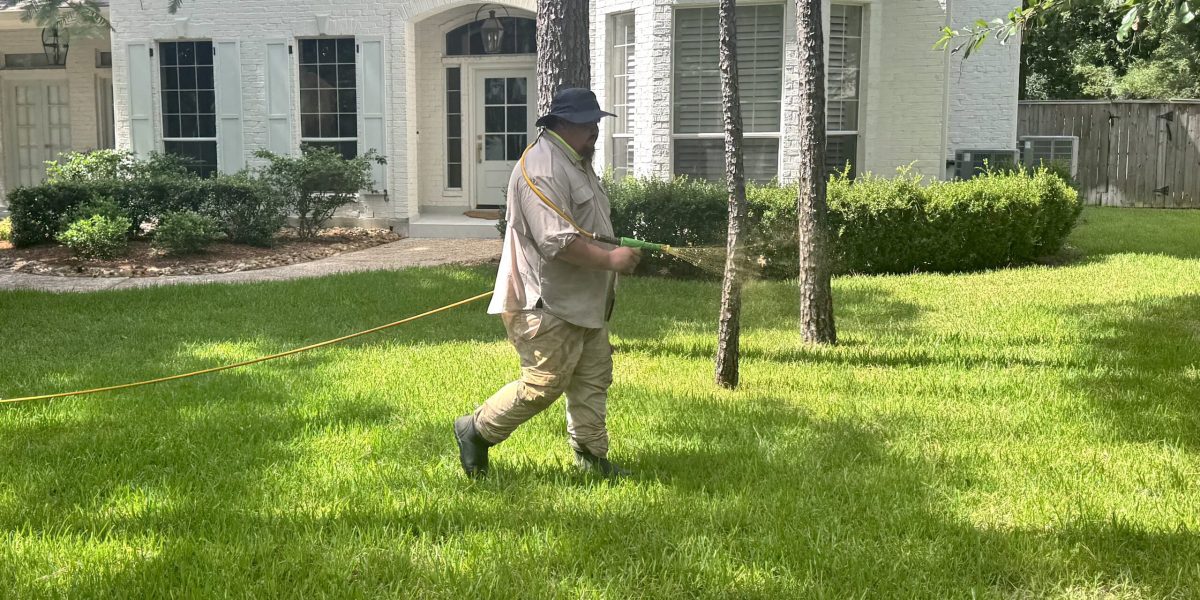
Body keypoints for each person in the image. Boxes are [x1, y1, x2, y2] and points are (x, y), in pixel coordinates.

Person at [453, 88, 642, 479]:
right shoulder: (542, 167)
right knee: (544, 384)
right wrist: (609, 260)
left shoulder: (575, 160)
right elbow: (556, 241)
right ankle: (476, 429)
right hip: (546, 302)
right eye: (588, 123)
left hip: (583, 299)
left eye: (596, 122)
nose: (594, 130)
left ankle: (591, 457)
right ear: (563, 124)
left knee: (593, 377)